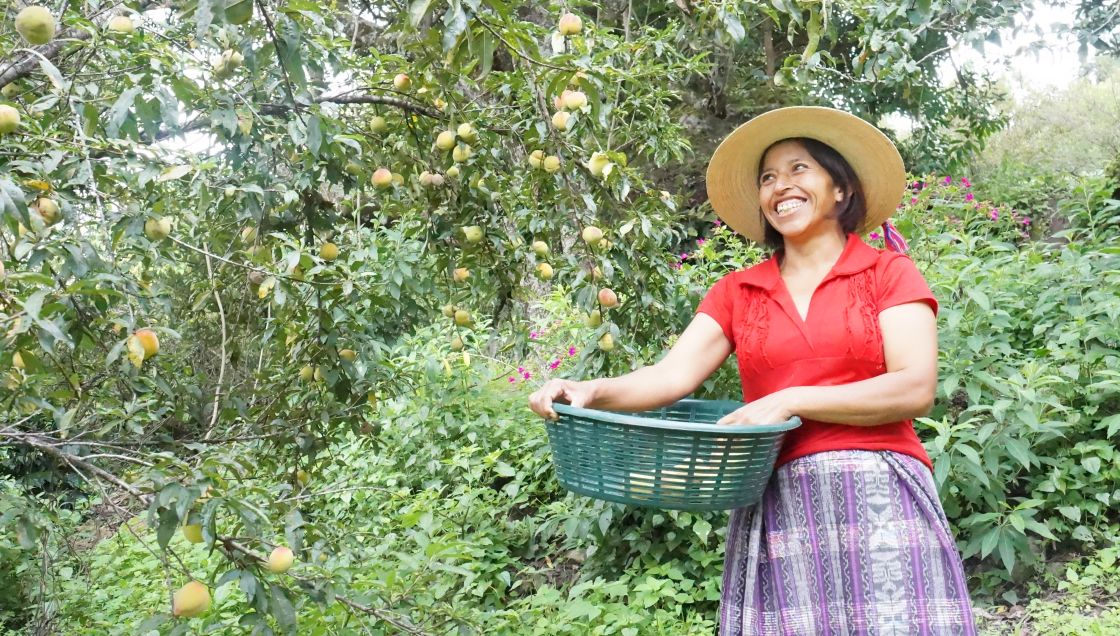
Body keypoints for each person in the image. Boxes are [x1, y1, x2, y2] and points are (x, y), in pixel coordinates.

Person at [528, 106, 977, 635]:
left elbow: (914, 386)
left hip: (880, 492)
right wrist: (587, 389)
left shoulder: (888, 272)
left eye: (799, 169)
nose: (780, 185)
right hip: (778, 500)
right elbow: (670, 377)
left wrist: (792, 399)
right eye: (768, 177)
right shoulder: (737, 291)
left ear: (841, 190)